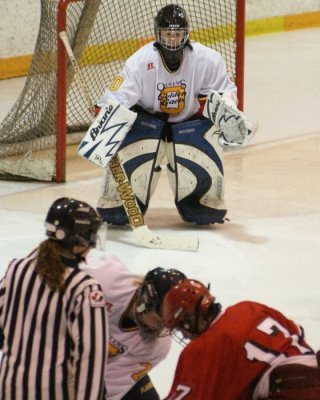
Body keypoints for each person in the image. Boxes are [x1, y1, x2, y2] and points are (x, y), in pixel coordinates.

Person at [95, 4, 253, 226]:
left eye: (177, 34)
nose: (172, 40)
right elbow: (118, 98)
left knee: (207, 138)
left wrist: (228, 109)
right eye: (167, 34)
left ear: (186, 34)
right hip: (147, 123)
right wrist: (107, 118)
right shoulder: (140, 62)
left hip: (188, 125)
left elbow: (224, 92)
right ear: (157, 34)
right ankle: (119, 201)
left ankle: (202, 201)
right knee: (136, 144)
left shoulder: (207, 59)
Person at [0, 197, 108, 399]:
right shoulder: (84, 288)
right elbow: (90, 359)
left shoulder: (16, 269)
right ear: (79, 237)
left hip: (10, 389)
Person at [161, 279, 320, 400]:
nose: (184, 335)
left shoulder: (202, 348)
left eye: (180, 328)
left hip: (290, 388)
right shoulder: (249, 307)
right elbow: (296, 332)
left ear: (188, 320)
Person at [81, 251, 186, 400]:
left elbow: (110, 386)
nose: (163, 329)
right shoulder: (105, 279)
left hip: (97, 368)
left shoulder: (158, 346)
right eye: (160, 321)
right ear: (146, 303)